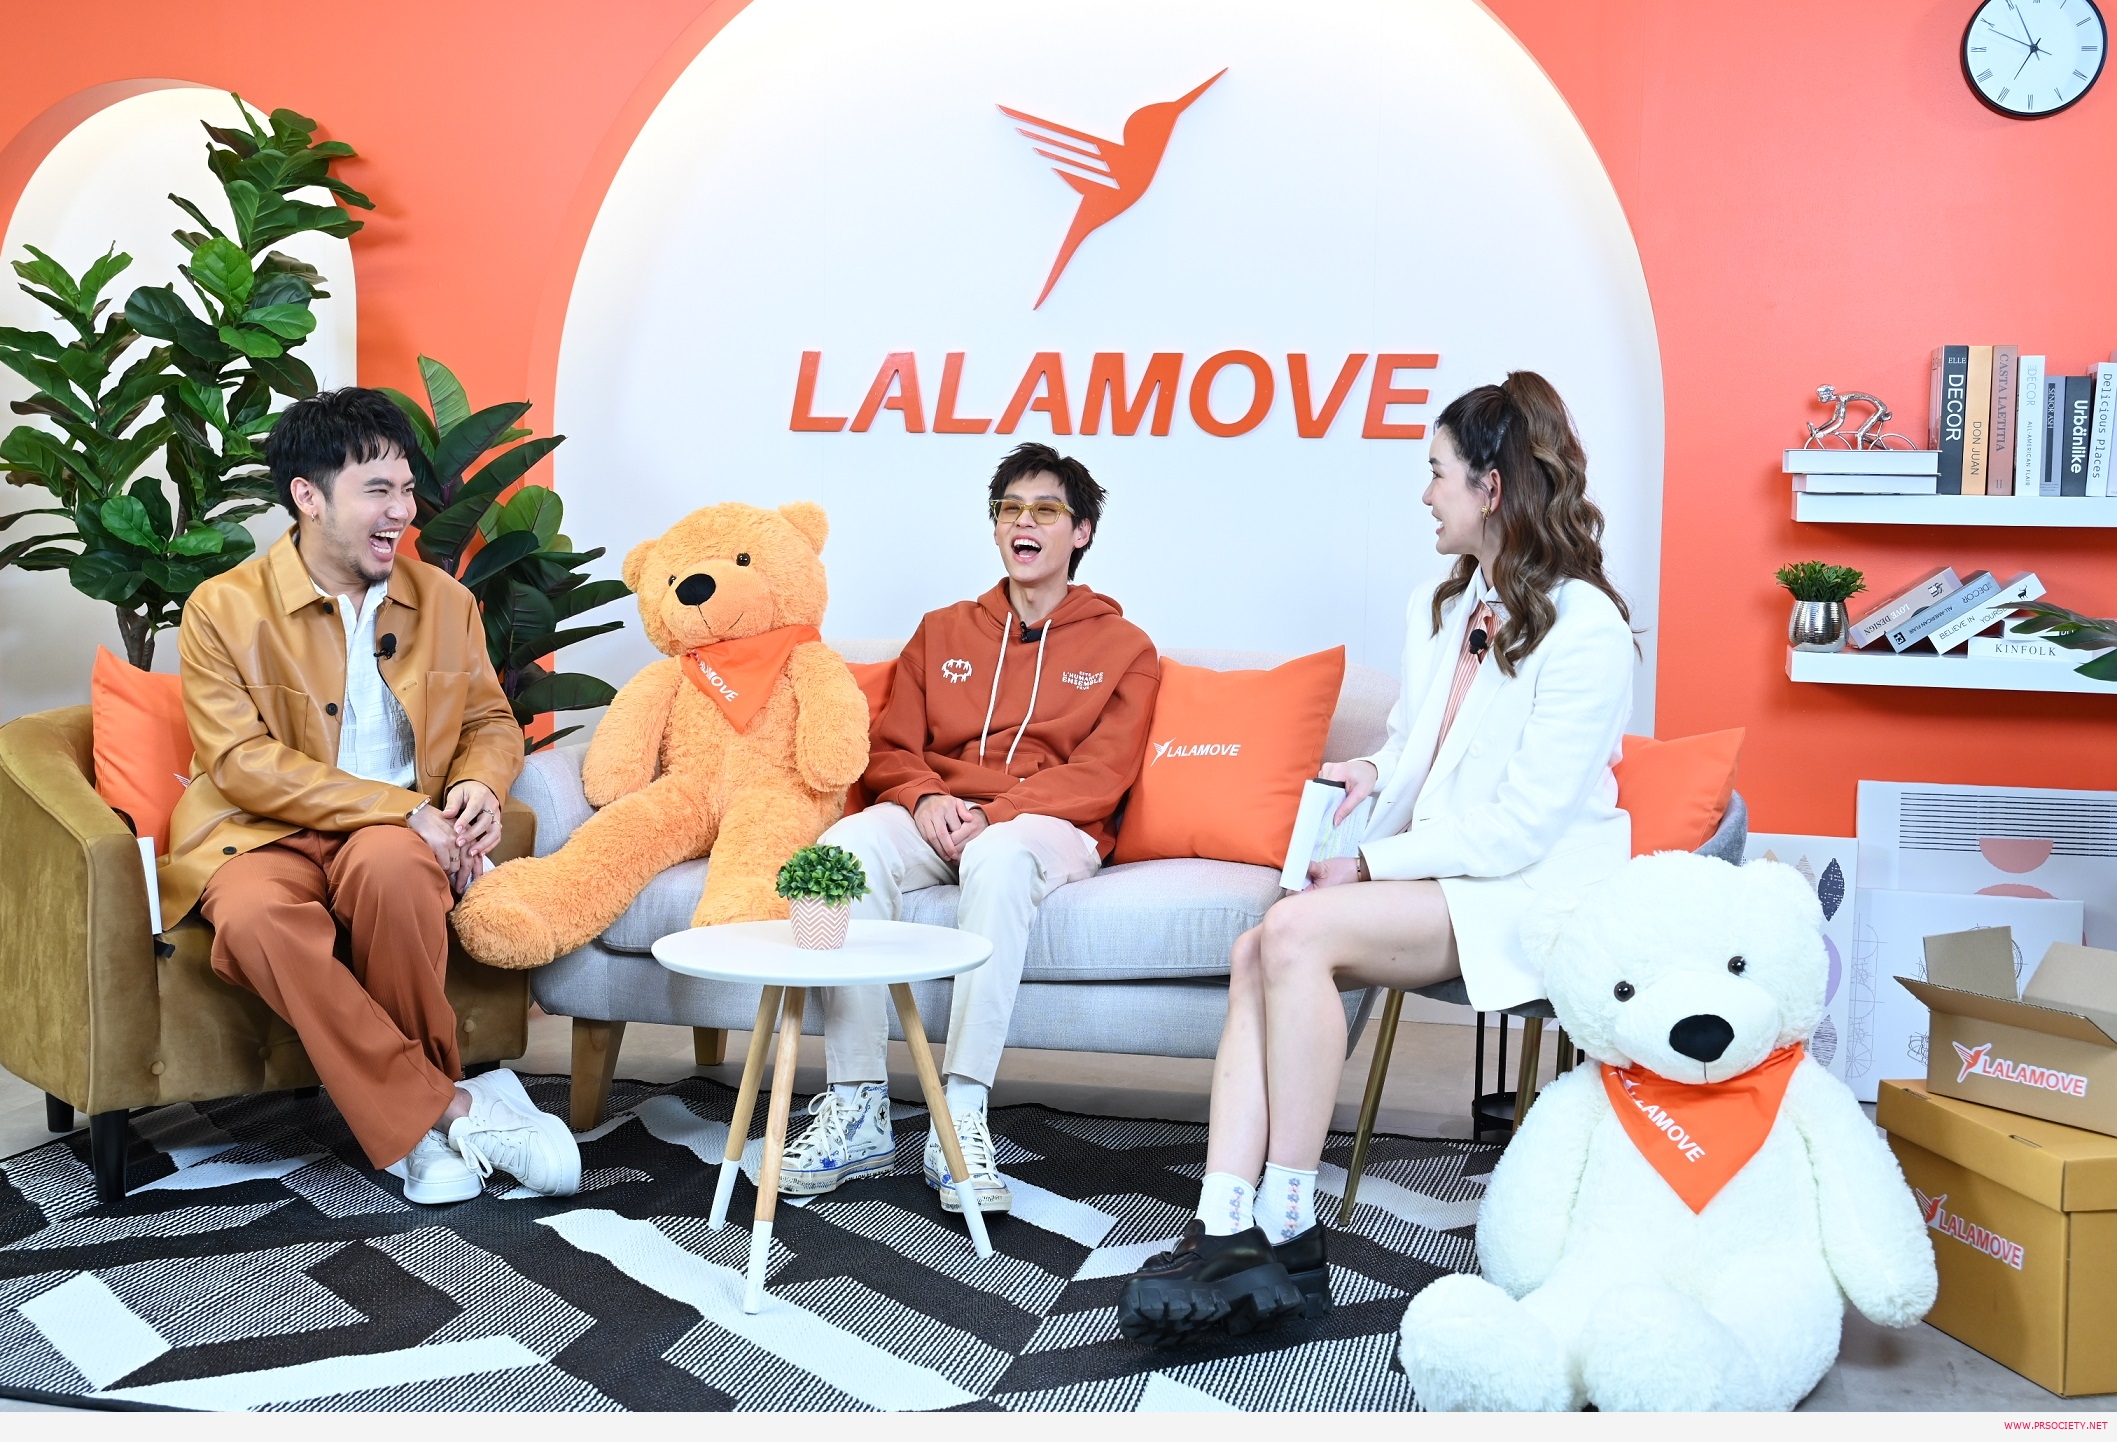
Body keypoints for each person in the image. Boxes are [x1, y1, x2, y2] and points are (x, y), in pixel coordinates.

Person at [1117, 372, 1637, 1343]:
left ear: (1490, 485)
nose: (1425, 493)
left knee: (1294, 935)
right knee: (1257, 943)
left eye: (1437, 472)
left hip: (1523, 892)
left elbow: (1521, 827)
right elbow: (1409, 746)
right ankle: (1224, 1224)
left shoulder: (1587, 629)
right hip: (1444, 875)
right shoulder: (1444, 605)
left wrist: (1367, 865)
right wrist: (1366, 771)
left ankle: (1286, 1224)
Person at [161, 387, 581, 1205]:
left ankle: (419, 1133)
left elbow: (490, 719)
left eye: (407, 491)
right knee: (253, 917)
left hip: (394, 838)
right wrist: (403, 809)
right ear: (308, 496)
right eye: (378, 491)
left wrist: (477, 782)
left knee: (396, 871)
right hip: (258, 829)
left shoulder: (446, 602)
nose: (403, 512)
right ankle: (447, 1112)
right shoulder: (223, 607)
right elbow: (240, 762)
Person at [775, 442, 1160, 1213]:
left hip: (1039, 825)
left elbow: (1102, 773)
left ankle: (960, 1110)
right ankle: (857, 1104)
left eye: (1045, 510)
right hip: (937, 813)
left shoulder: (1124, 648)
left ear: (1080, 532)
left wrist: (993, 815)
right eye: (1009, 509)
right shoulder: (942, 630)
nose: (1024, 523)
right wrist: (922, 798)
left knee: (1001, 855)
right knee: (840, 852)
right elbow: (891, 744)